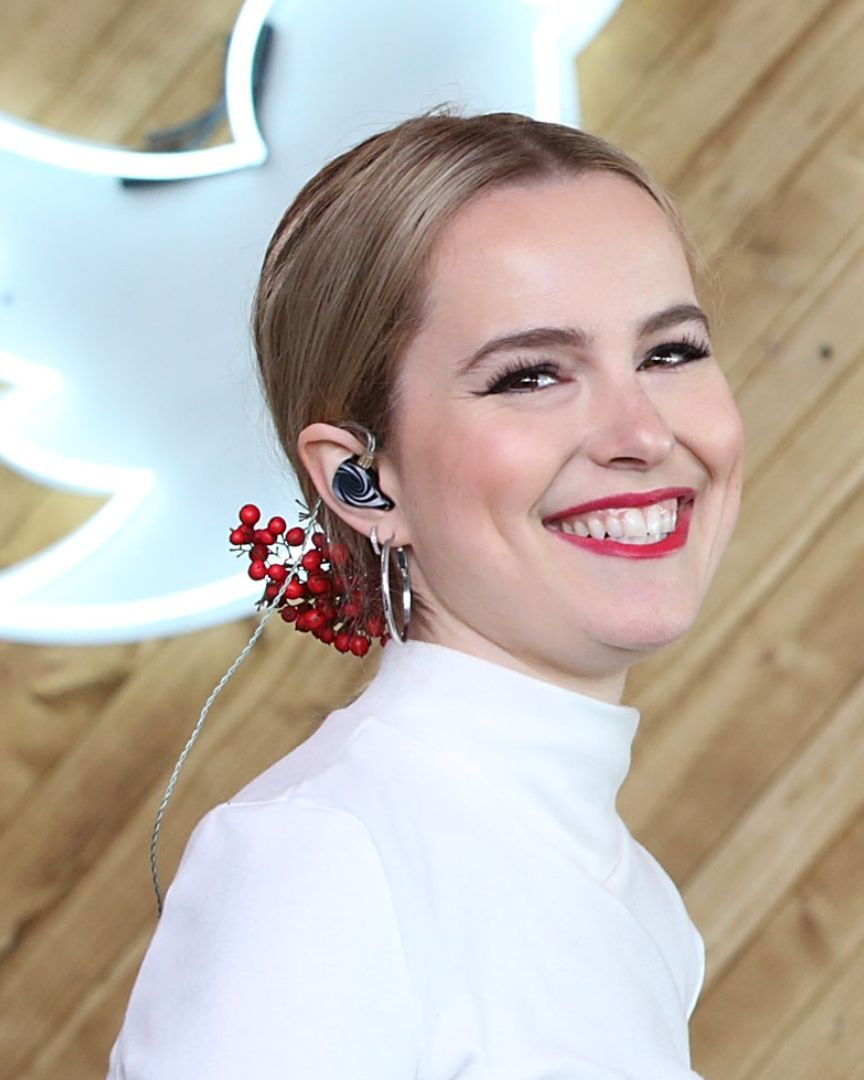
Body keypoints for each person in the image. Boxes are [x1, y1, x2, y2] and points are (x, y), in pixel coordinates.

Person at [106, 106, 743, 1078]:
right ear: (362, 479)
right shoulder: (322, 861)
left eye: (669, 353)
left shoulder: (632, 896)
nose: (642, 431)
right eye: (532, 374)